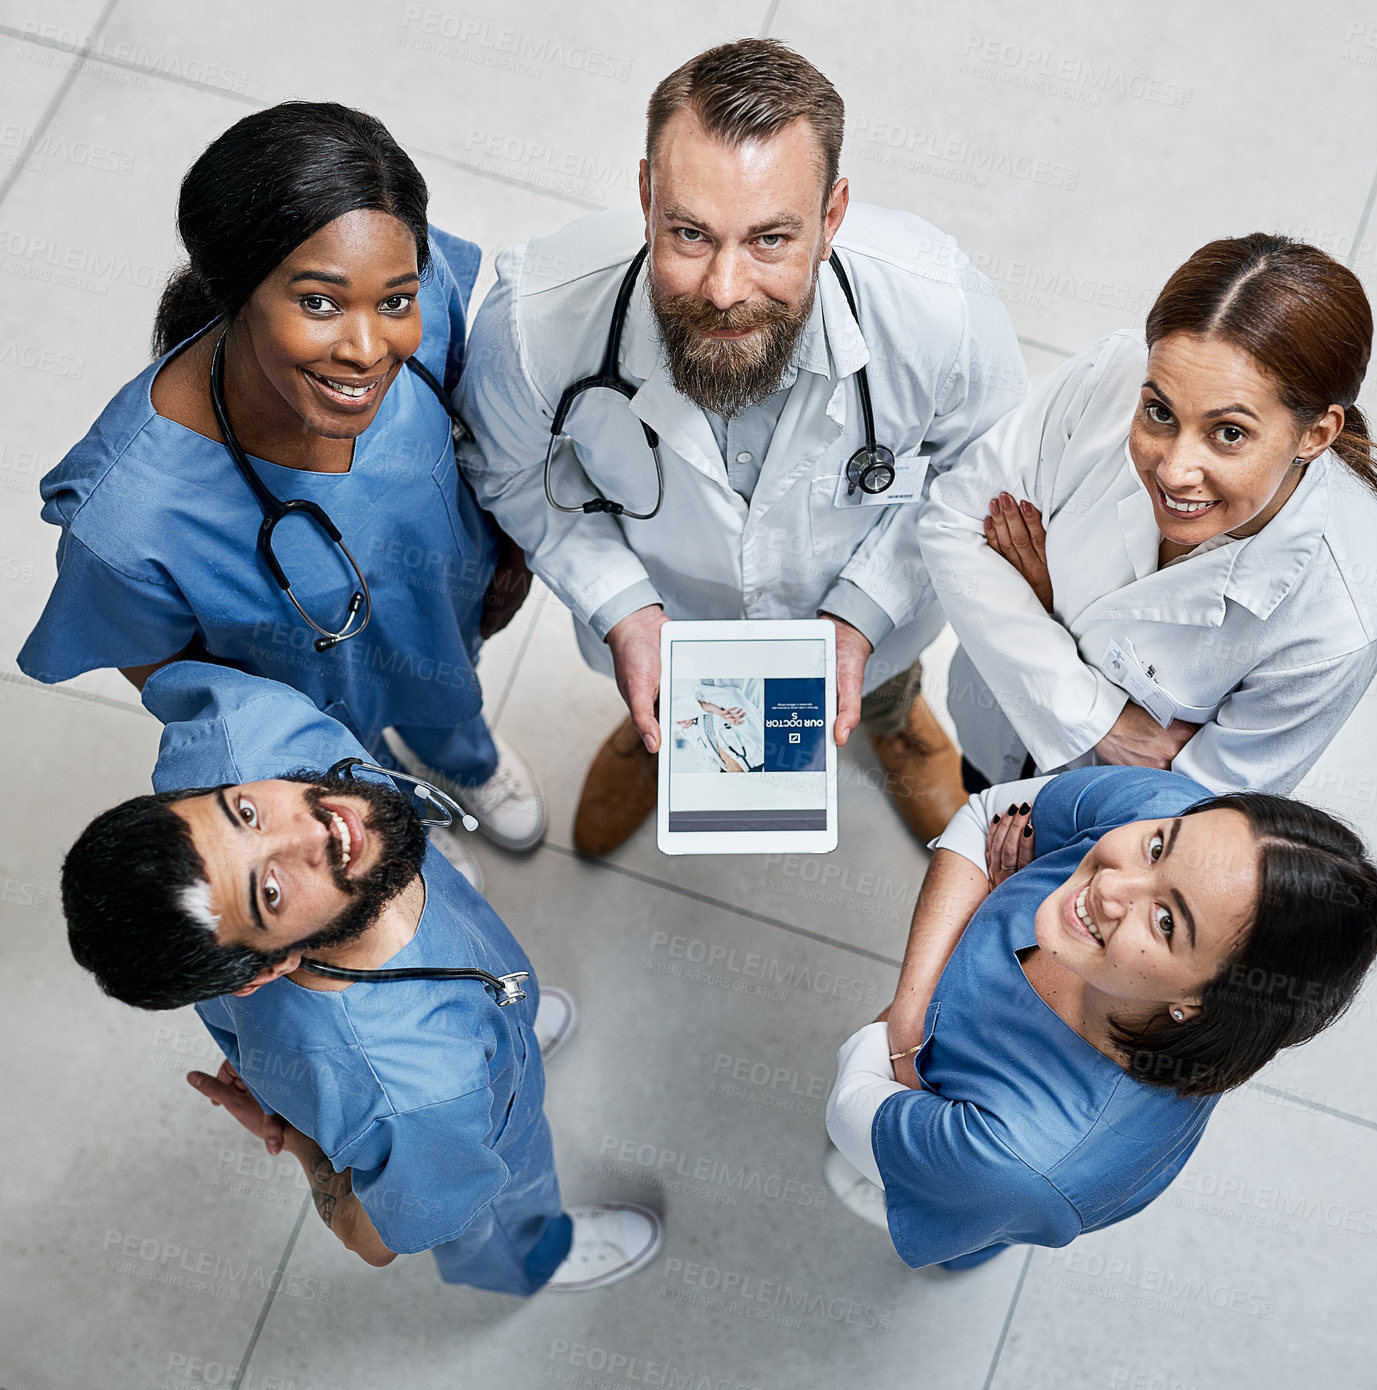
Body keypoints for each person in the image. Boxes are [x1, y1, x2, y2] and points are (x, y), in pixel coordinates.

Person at [456, 39, 1027, 854]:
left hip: (874, 612)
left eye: (769, 240)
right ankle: (650, 736)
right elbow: (505, 473)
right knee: (649, 689)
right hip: (663, 613)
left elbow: (984, 470)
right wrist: (622, 606)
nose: (724, 290)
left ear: (831, 218)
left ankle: (896, 719)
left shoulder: (938, 310)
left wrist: (863, 616)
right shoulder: (535, 320)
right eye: (690, 234)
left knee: (886, 679)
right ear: (647, 195)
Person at [18, 101, 545, 855]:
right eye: (320, 303)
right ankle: (396, 810)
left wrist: (508, 550)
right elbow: (154, 661)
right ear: (233, 287)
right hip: (316, 701)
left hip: (439, 613)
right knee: (357, 773)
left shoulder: (423, 295)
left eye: (394, 300)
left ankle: (469, 763)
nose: (368, 348)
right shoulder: (129, 519)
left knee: (449, 698)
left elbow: (478, 410)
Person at [59, 662, 662, 1294]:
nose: (316, 827)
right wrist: (301, 1146)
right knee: (506, 1205)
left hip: (476, 1013)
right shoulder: (420, 1099)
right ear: (266, 968)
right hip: (462, 1108)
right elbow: (370, 1237)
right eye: (269, 889)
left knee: (499, 1036)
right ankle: (537, 1256)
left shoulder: (241, 738)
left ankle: (507, 1040)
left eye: (245, 812)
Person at [823, 764, 1377, 1269]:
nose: (1110, 885)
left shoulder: (1018, 1161)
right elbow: (982, 812)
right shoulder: (1174, 812)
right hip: (969, 1152)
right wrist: (911, 1019)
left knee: (978, 1213)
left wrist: (985, 902)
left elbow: (849, 1103)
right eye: (1158, 848)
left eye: (1166, 921)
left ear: (1198, 1005)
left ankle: (965, 1230)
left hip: (1010, 1188)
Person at [918, 233, 1377, 795]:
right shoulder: (1114, 373)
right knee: (977, 781)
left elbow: (1191, 812)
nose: (1175, 471)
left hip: (1095, 835)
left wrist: (1034, 601)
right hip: (991, 715)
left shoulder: (1344, 610)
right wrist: (1100, 715)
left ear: (1316, 434)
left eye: (1229, 433)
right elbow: (954, 524)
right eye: (1159, 413)